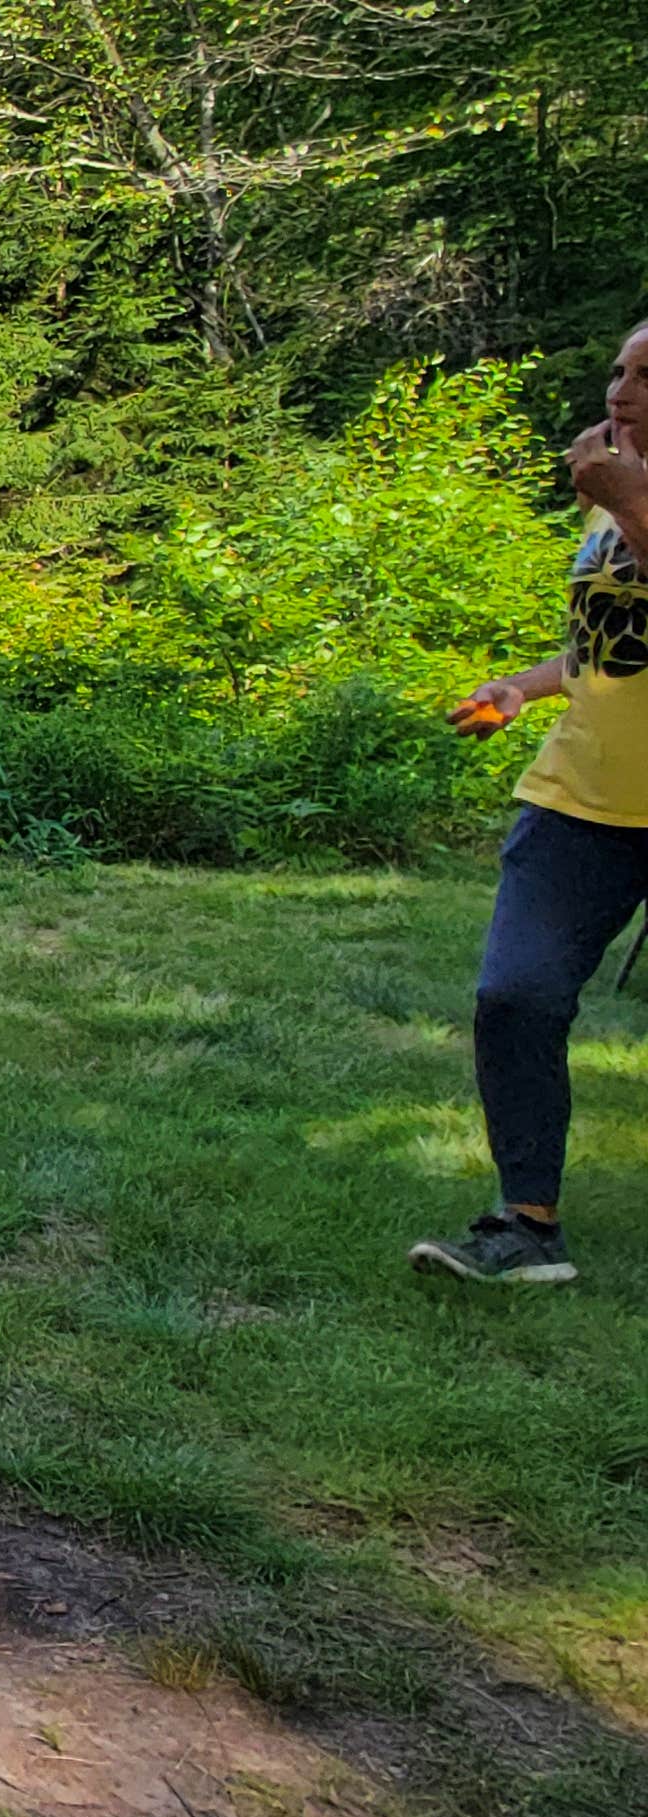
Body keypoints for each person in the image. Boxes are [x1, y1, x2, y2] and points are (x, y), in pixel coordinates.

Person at [412, 319, 648, 1283]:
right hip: (580, 800)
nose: (620, 390)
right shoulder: (608, 503)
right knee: (516, 994)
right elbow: (604, 644)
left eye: (647, 375)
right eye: (619, 367)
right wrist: (524, 686)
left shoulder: (618, 495)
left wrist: (630, 499)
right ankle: (525, 1225)